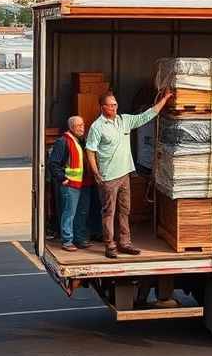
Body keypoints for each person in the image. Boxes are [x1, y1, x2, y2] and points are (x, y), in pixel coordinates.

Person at [86, 91, 173, 258]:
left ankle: (125, 243)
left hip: (125, 174)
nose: (114, 107)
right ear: (102, 107)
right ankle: (109, 245)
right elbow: (90, 150)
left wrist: (164, 99)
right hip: (108, 177)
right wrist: (96, 173)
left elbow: (147, 115)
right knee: (109, 212)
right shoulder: (97, 127)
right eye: (111, 105)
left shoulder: (124, 120)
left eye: (115, 104)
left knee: (125, 210)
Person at [47, 116, 92, 251]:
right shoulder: (63, 142)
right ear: (71, 127)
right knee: (69, 213)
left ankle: (79, 239)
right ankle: (67, 241)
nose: (82, 128)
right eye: (78, 125)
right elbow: (53, 163)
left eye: (83, 125)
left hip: (84, 183)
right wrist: (63, 179)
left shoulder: (81, 141)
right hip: (70, 184)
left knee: (81, 213)